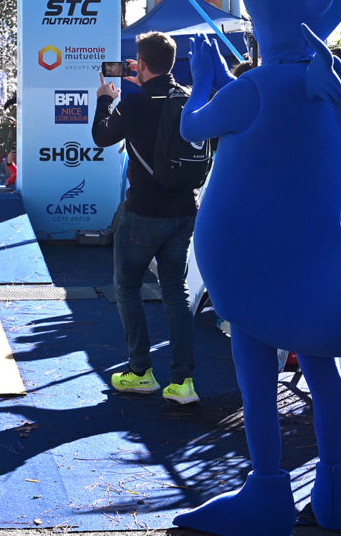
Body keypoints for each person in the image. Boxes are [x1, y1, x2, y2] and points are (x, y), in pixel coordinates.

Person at [91, 31, 199, 405]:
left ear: (142, 62)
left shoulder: (135, 104)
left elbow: (102, 136)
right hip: (184, 210)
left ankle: (140, 372)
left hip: (144, 211)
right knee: (176, 290)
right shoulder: (187, 98)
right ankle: (183, 382)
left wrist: (105, 101)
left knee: (127, 286)